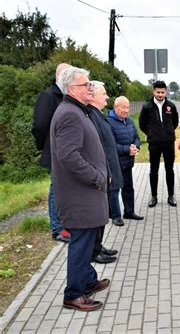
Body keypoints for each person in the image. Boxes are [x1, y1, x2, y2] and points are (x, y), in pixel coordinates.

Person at [50, 67, 110, 311]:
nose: (90, 88)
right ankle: (73, 294)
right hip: (80, 194)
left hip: (85, 193)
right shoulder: (69, 114)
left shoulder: (76, 111)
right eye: (86, 85)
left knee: (87, 242)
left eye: (90, 84)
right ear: (71, 89)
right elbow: (68, 156)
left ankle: (88, 281)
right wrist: (96, 177)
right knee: (81, 245)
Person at [32, 62, 72, 243]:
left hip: (67, 152)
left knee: (65, 190)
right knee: (56, 189)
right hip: (54, 151)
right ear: (60, 77)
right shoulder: (48, 97)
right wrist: (46, 146)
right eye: (69, 76)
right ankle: (57, 228)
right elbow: (39, 125)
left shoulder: (66, 96)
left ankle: (67, 225)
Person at [88, 81, 121, 264]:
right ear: (93, 96)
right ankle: (95, 250)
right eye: (104, 94)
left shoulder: (99, 115)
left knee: (103, 212)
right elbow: (97, 148)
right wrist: (105, 172)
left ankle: (99, 246)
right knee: (100, 214)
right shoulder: (92, 116)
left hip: (108, 168)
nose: (107, 97)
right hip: (103, 171)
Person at [139, 80, 179, 208]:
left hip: (168, 143)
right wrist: (151, 133)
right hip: (154, 143)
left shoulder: (171, 106)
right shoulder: (147, 107)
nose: (160, 94)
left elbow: (175, 122)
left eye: (162, 92)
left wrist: (167, 132)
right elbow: (142, 124)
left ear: (166, 91)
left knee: (169, 170)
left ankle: (171, 196)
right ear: (153, 91)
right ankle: (154, 196)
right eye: (158, 92)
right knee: (153, 170)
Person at [107, 96, 143, 221]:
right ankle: (116, 216)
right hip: (115, 163)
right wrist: (127, 149)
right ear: (115, 107)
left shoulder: (129, 121)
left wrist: (135, 147)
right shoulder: (109, 122)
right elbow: (110, 145)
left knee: (128, 188)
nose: (126, 110)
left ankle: (129, 212)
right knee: (114, 190)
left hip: (128, 162)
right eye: (123, 107)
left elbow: (137, 137)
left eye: (128, 107)